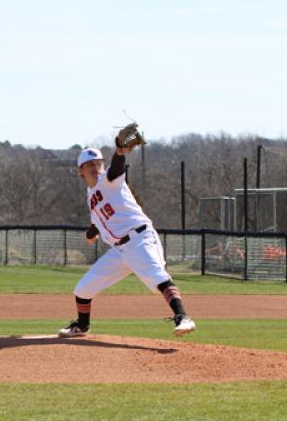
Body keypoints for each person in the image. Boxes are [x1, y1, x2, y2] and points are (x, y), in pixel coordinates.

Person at [58, 140, 196, 338]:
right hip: (119, 251)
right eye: (89, 165)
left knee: (158, 277)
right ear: (80, 171)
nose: (95, 168)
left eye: (98, 163)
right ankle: (82, 326)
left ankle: (183, 317)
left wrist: (120, 153)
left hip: (140, 239)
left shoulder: (109, 180)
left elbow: (116, 168)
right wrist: (93, 231)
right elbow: (99, 219)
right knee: (82, 289)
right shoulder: (91, 195)